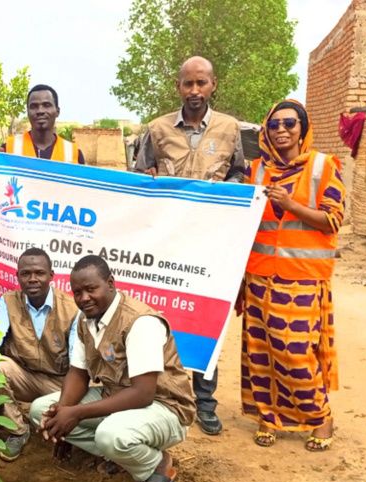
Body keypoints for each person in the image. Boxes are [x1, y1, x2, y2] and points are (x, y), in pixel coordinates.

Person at [134, 55, 246, 436]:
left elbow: (239, 174)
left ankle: (206, 402)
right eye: (188, 84)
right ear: (178, 86)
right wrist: (146, 179)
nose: (194, 91)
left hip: (211, 248)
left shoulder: (231, 129)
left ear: (213, 85)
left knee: (206, 322)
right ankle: (165, 395)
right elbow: (139, 180)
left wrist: (233, 188)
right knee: (161, 321)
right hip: (165, 245)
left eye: (202, 83)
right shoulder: (157, 129)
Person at [30, 256, 195, 482]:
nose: (83, 297)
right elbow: (78, 373)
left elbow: (143, 393)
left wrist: (76, 414)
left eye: (90, 289)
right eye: (77, 292)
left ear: (110, 283)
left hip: (165, 407)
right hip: (118, 397)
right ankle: (121, 455)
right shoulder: (85, 319)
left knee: (111, 435)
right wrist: (63, 413)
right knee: (41, 411)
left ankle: (156, 465)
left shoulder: (140, 322)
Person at [239, 99, 344, 451]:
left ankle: (321, 418)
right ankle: (268, 417)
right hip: (258, 276)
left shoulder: (323, 166)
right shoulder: (255, 170)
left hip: (302, 277)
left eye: (289, 124)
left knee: (295, 352)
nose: (281, 130)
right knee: (261, 352)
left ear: (302, 128)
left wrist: (292, 205)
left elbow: (332, 220)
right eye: (274, 125)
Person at [0, 248, 78, 461]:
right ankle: (18, 430)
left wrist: (65, 416)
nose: (33, 279)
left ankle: (71, 435)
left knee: (86, 387)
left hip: (61, 383)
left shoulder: (72, 309)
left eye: (39, 273)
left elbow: (77, 367)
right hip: (25, 377)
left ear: (51, 276)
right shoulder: (8, 302)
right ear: (18, 277)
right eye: (26, 274)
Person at [2, 85, 85, 163]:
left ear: (57, 111)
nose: (40, 111)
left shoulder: (73, 154)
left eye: (47, 105)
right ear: (27, 112)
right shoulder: (8, 149)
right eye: (34, 106)